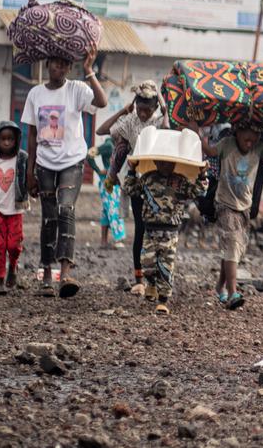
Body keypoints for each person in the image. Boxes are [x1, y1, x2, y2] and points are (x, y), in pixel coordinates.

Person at [23, 50, 107, 298]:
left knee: (65, 210)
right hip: (45, 164)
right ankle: (47, 274)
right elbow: (31, 135)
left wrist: (90, 70)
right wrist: (29, 172)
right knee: (48, 216)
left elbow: (101, 102)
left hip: (72, 161)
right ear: (48, 64)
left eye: (64, 65)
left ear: (69, 69)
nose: (59, 69)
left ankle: (66, 272)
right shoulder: (35, 94)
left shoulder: (77, 89)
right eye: (55, 64)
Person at [195, 120, 263, 310]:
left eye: (255, 136)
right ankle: (232, 293)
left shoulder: (260, 148)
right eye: (247, 135)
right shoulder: (227, 145)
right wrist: (199, 131)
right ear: (237, 131)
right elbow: (210, 152)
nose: (251, 140)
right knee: (232, 244)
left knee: (234, 248)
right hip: (225, 203)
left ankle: (220, 287)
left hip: (244, 206)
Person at [121, 127, 205, 315]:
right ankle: (150, 284)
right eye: (160, 161)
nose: (164, 165)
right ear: (155, 161)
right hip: (150, 230)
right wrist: (132, 171)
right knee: (148, 262)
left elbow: (198, 191)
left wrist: (202, 175)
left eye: (169, 162)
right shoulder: (148, 178)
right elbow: (131, 189)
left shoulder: (181, 181)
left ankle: (163, 300)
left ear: (175, 163)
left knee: (166, 266)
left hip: (170, 232)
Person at [97, 81, 167, 294]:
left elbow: (169, 128)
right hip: (137, 181)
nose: (143, 113)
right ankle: (139, 277)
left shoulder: (158, 123)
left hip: (156, 182)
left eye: (147, 109)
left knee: (156, 230)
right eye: (139, 108)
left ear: (154, 109)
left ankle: (155, 276)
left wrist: (163, 105)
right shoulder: (130, 121)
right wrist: (124, 110)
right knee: (140, 228)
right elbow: (102, 130)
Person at [0, 122, 29, 294]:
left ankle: (13, 267)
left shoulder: (22, 158)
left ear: (16, 140)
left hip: (15, 209)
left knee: (14, 245)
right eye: (3, 139)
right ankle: (0, 278)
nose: (7, 142)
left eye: (10, 139)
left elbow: (30, 177)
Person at [87, 137, 125, 249]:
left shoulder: (117, 144)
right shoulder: (108, 145)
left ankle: (104, 242)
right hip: (109, 183)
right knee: (114, 210)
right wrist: (98, 170)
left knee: (106, 210)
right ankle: (118, 239)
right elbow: (89, 154)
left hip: (111, 182)